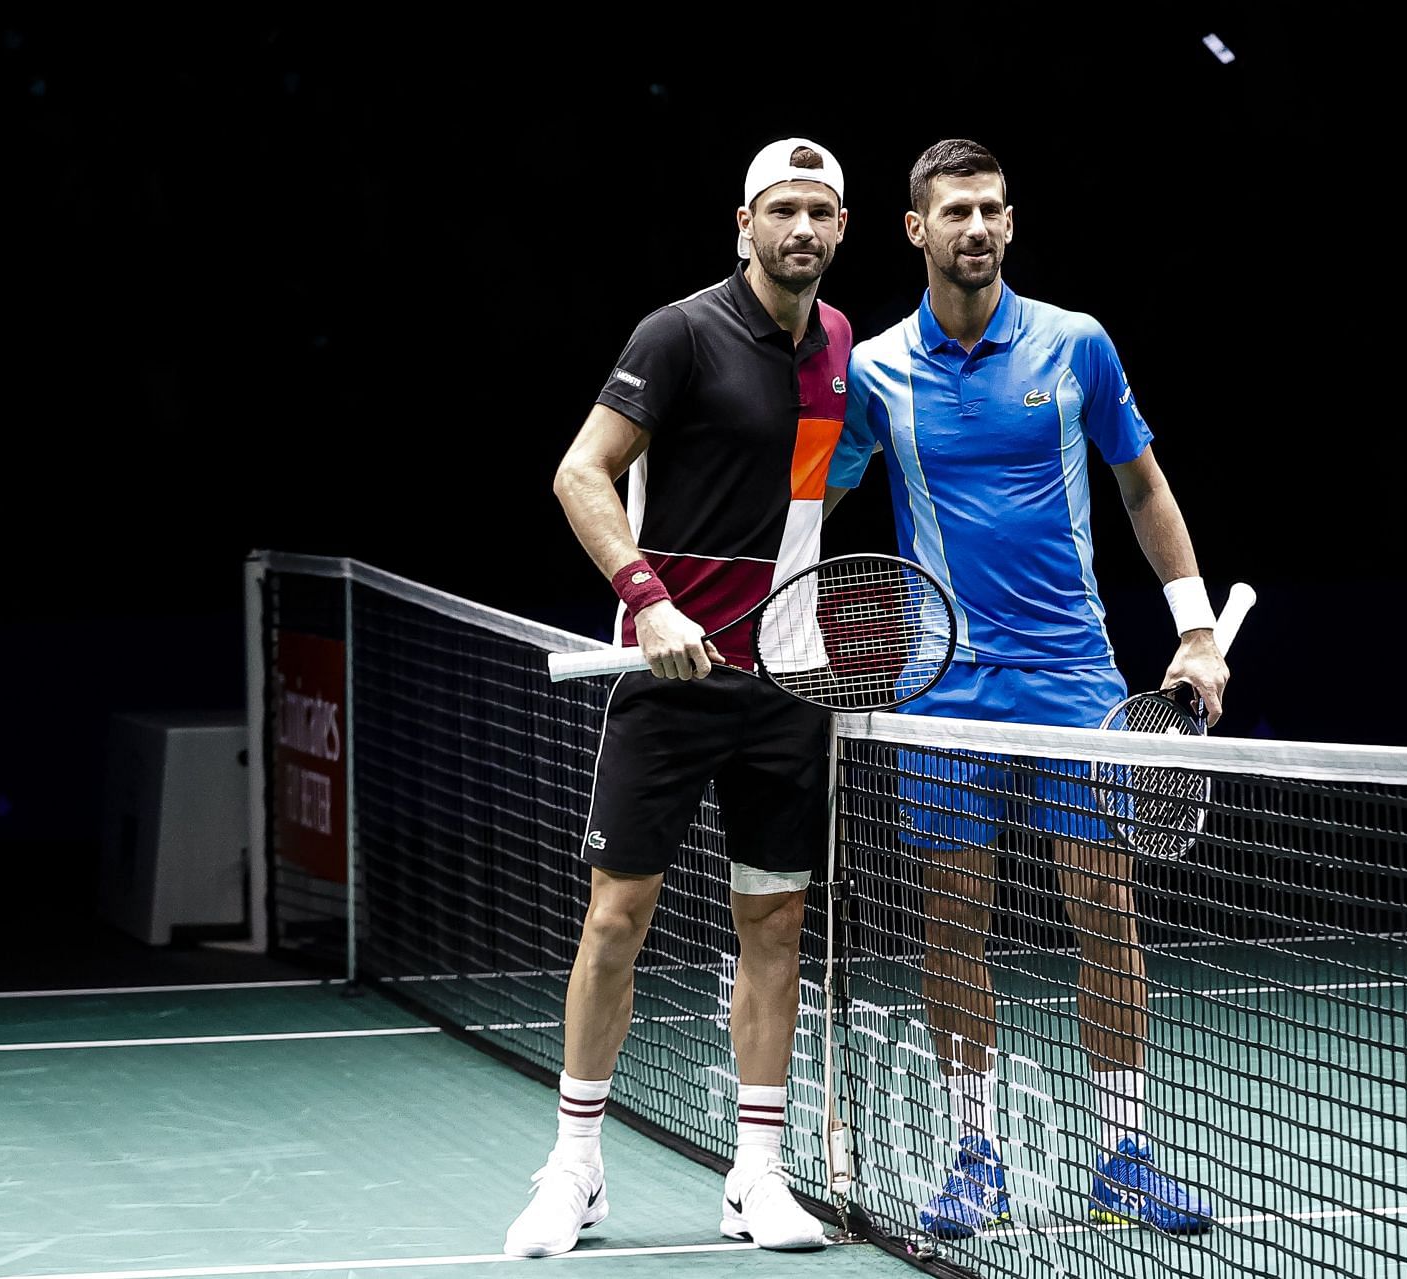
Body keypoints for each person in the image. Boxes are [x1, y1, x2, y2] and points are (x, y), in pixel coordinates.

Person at [824, 138, 1228, 1239]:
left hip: (1072, 682)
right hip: (943, 689)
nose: (978, 229)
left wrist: (1195, 630)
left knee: (1106, 909)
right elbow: (815, 497)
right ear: (915, 229)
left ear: (1011, 221)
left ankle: (1124, 1150)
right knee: (954, 920)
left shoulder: (1075, 345)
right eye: (956, 211)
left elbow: (1141, 483)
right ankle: (973, 1153)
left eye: (993, 210)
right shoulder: (878, 374)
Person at [503, 136, 854, 1259]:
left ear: (842, 229)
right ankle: (575, 1167)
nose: (802, 229)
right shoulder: (682, 332)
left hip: (787, 684)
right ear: (743, 223)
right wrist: (650, 600)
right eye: (782, 210)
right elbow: (579, 472)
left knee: (776, 921)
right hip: (669, 678)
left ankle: (756, 1176)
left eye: (821, 212)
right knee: (618, 915)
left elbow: (811, 497)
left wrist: (798, 619)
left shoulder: (840, 345)